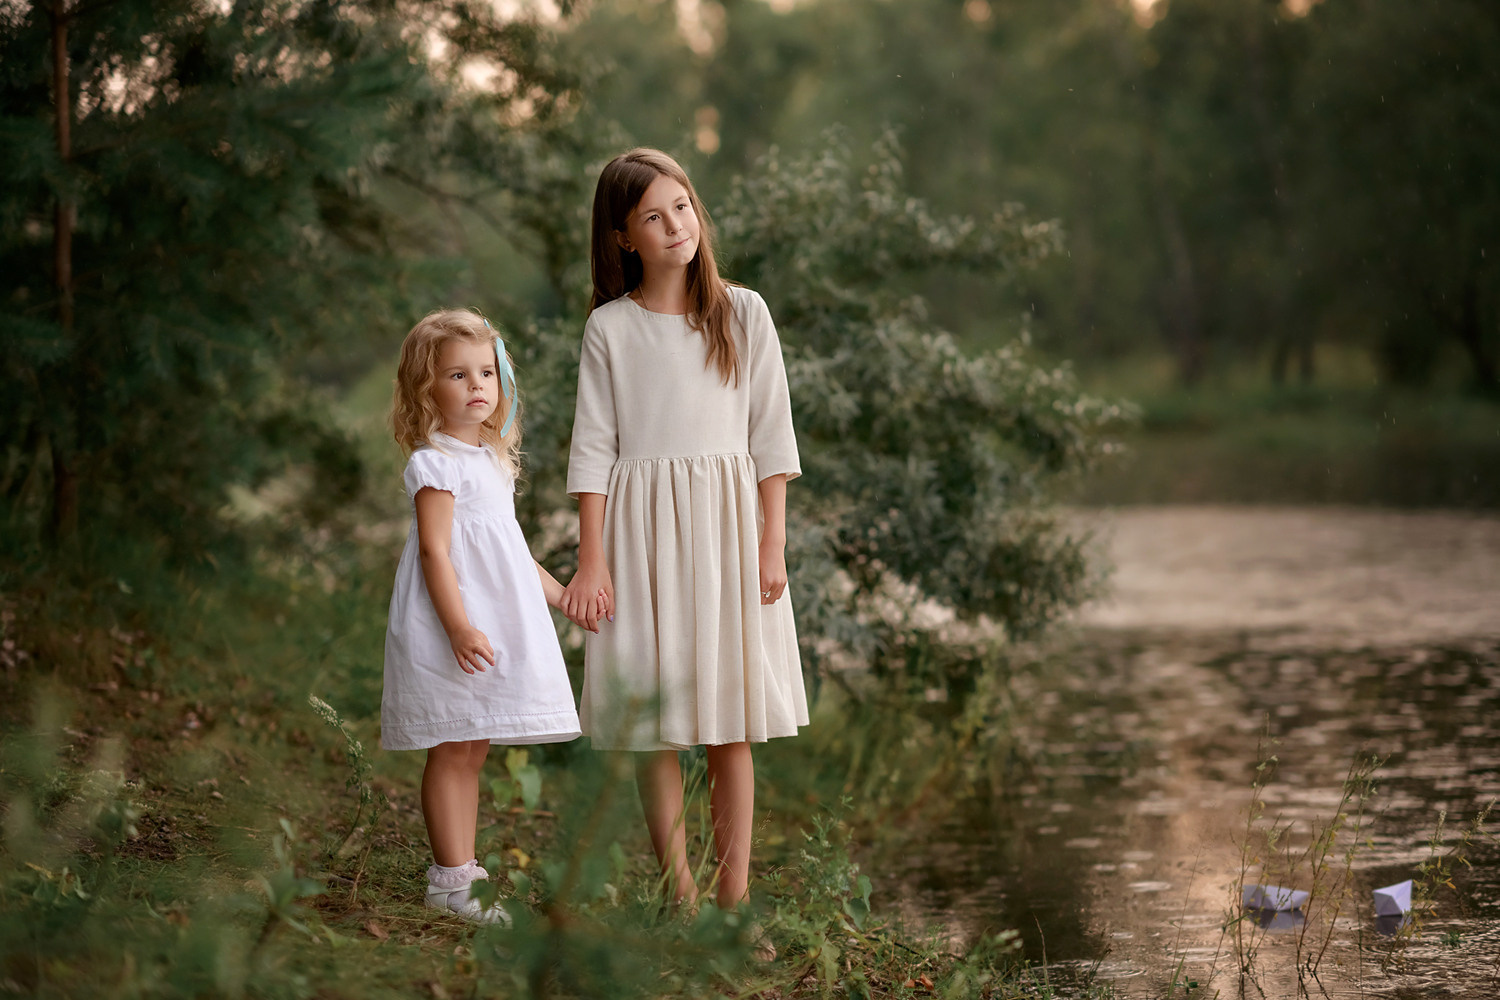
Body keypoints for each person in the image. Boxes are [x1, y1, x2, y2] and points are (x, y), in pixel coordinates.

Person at [560, 148, 808, 924]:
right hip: (641, 537)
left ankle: (735, 903)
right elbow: (594, 449)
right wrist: (591, 559)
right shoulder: (610, 329)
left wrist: (772, 540)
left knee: (730, 721)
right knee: (656, 725)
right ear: (624, 237)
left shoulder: (744, 313)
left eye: (683, 207)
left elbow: (772, 438)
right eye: (654, 217)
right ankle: (683, 896)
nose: (676, 226)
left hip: (730, 531)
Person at [383, 309, 588, 923]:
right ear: (427, 389)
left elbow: (512, 552)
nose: (476, 385)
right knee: (451, 745)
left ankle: (461, 869)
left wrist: (562, 597)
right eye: (456, 374)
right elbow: (435, 551)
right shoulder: (436, 463)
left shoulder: (492, 460)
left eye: (486, 373)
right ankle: (449, 882)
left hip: (489, 619)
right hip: (452, 621)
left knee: (472, 745)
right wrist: (458, 626)